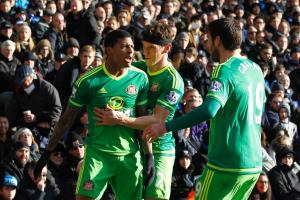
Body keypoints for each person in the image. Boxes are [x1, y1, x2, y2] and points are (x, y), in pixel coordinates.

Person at [143, 17, 266, 199]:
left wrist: (165, 126)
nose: (205, 44)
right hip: (253, 164)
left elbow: (209, 110)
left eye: (207, 38)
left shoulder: (225, 69)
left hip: (226, 163)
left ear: (217, 40)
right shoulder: (255, 68)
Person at [34, 29, 152, 200]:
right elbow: (66, 120)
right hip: (97, 155)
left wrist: (149, 155)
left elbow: (143, 121)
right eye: (124, 46)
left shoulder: (140, 78)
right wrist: (45, 155)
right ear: (109, 50)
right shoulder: (88, 81)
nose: (131, 51)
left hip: (129, 155)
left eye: (132, 46)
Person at [94, 22, 184, 200]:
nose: (146, 52)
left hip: (159, 150)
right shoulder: (137, 68)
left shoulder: (173, 80)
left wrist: (120, 119)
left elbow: (157, 120)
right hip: (132, 147)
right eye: (144, 47)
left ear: (167, 48)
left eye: (151, 48)